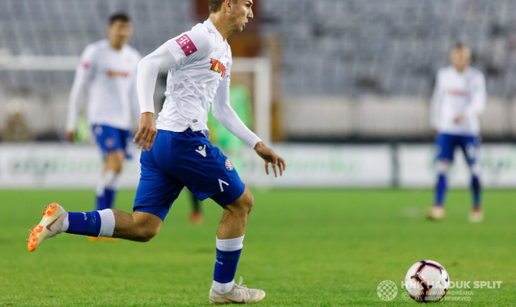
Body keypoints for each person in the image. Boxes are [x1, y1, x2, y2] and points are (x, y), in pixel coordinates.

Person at [28, 0, 285, 304]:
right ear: (228, 4)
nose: (251, 13)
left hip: (163, 144)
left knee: (144, 226)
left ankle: (63, 221)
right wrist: (147, 112)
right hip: (181, 139)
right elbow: (148, 63)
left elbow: (222, 108)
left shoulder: (224, 50)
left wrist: (257, 143)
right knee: (241, 203)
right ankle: (223, 288)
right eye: (247, 5)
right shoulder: (201, 37)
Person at [65, 13, 141, 222]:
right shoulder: (95, 52)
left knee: (114, 169)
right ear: (110, 29)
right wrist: (72, 121)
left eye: (127, 28)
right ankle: (98, 218)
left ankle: (103, 221)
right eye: (119, 27)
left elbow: (134, 93)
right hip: (101, 119)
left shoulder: (133, 57)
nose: (123, 32)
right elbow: (79, 87)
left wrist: (141, 120)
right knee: (116, 162)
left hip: (122, 121)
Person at [427, 43, 486, 223]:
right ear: (452, 57)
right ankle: (439, 207)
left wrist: (466, 114)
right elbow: (437, 98)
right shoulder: (444, 75)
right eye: (458, 56)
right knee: (442, 167)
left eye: (465, 57)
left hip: (468, 130)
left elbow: (479, 101)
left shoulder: (475, 77)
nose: (462, 60)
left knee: (474, 169)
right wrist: (435, 122)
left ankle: (476, 207)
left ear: (468, 58)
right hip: (447, 130)